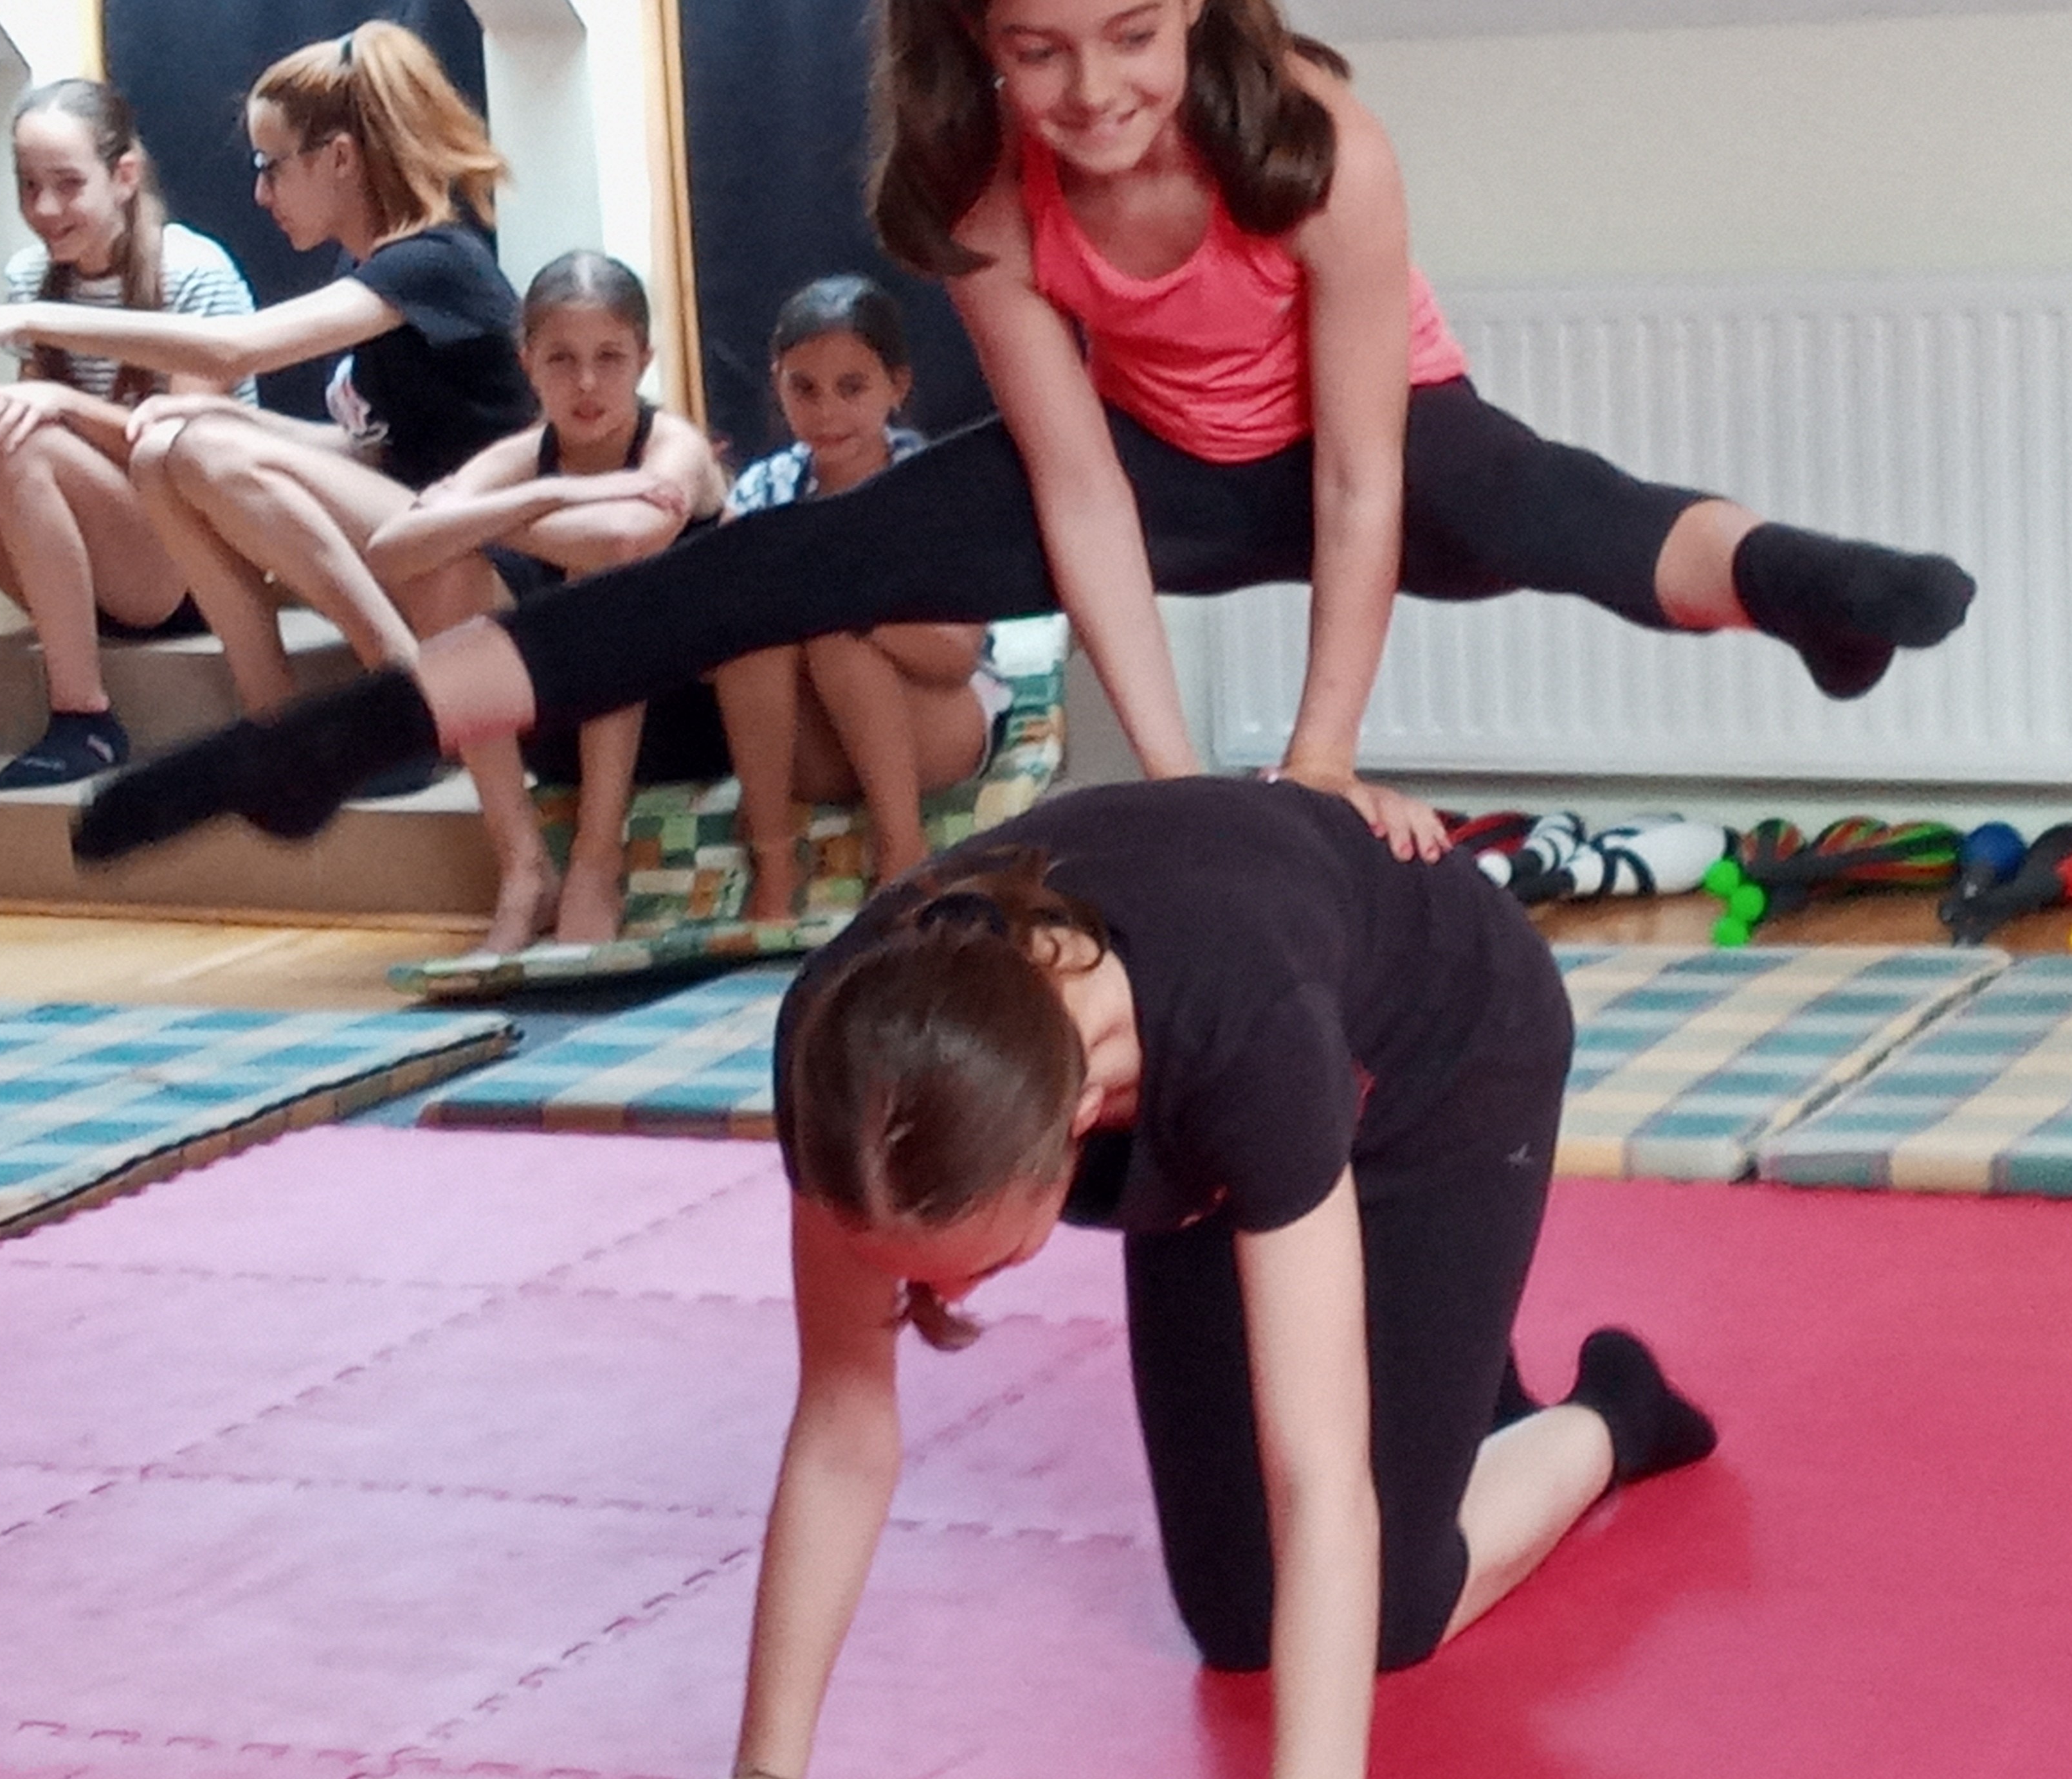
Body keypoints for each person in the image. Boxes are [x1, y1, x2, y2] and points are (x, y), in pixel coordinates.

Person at [55, 0, 1973, 865]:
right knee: (753, 568)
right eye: (1040, 52)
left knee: (1563, 508)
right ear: (979, 35)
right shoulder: (985, 188)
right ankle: (339, 736)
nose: (1095, 91)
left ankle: (1810, 584)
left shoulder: (1317, 139)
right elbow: (1079, 493)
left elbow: (1364, 477)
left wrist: (1317, 755)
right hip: (1138, 464)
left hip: (1368, 428)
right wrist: (1183, 773)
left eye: (1132, 40)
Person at [740, 777, 1715, 1779]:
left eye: (982, 1265)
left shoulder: (1247, 1039)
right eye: (903, 1276)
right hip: (1248, 1035)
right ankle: (1460, 1373)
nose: (951, 1300)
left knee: (1390, 1606)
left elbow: (1320, 1485)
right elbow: (842, 1429)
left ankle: (1616, 1410)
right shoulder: (846, 1057)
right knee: (1239, 1618)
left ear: (1079, 1125)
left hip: (1446, 1052)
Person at [0, 20, 536, 754]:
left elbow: (239, 347)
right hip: (418, 537)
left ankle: (405, 697)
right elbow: (369, 451)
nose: (262, 194)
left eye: (272, 167)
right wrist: (227, 424)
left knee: (199, 446)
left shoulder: (433, 262)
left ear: (339, 159)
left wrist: (27, 322)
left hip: (491, 563)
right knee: (172, 444)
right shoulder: (371, 268)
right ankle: (275, 730)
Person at [0, 78, 256, 788]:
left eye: (67, 185)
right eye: (29, 187)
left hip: (190, 570)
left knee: (20, 433)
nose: (45, 209)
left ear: (124, 177)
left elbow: (188, 454)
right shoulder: (30, 277)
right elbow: (37, 433)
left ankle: (84, 715)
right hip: (90, 553)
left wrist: (55, 404)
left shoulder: (193, 271)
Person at [365, 253, 723, 951]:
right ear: (527, 363)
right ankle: (525, 868)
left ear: (644, 360)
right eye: (562, 359)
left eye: (608, 358)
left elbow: (625, 539)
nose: (586, 383)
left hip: (676, 720)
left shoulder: (674, 446)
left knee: (602, 578)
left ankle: (595, 862)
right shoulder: (524, 461)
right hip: (558, 729)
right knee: (445, 577)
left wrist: (479, 517)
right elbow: (390, 549)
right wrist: (547, 494)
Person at [716, 275, 1004, 919]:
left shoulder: (935, 489)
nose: (826, 413)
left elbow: (955, 658)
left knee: (836, 634)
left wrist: (842, 606)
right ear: (777, 384)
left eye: (851, 388)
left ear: (896, 387)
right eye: (804, 389)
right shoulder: (762, 491)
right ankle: (774, 862)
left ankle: (902, 853)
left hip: (933, 726)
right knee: (749, 637)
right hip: (817, 748)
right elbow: (709, 650)